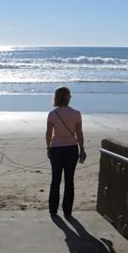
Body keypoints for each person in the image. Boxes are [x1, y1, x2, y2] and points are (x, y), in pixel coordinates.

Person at [45, 86, 86, 218]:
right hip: (71, 148)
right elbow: (79, 133)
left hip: (56, 148)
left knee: (55, 180)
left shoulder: (52, 114)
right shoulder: (76, 113)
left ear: (57, 97)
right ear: (68, 97)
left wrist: (48, 147)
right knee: (69, 180)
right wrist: (82, 148)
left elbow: (48, 133)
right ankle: (67, 210)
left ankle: (53, 209)